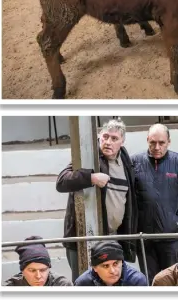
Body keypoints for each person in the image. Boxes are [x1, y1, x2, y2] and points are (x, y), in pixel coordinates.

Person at [56, 118, 139, 282]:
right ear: (99, 136)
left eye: (114, 138)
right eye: (105, 137)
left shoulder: (126, 162)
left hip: (114, 237)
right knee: (85, 282)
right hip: (84, 237)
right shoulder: (88, 156)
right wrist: (91, 177)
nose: (108, 142)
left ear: (122, 142)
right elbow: (62, 182)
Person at [132, 123, 178, 284]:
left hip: (172, 238)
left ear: (168, 142)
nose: (157, 147)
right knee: (150, 281)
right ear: (147, 141)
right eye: (152, 142)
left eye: (161, 143)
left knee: (174, 280)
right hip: (145, 238)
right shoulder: (134, 162)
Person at [4, 236, 73, 286]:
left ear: (49, 269)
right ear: (22, 271)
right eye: (32, 270)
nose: (38, 276)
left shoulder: (62, 285)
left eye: (43, 270)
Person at [74, 241, 148, 286]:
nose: (112, 271)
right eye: (106, 266)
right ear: (94, 268)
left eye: (115, 264)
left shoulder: (137, 281)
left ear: (122, 262)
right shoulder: (83, 284)